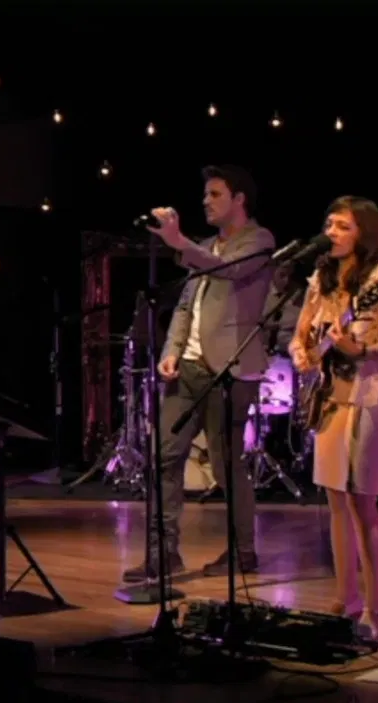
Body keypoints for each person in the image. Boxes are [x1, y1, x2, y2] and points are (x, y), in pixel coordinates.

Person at [124, 165, 276, 583]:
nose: (205, 201)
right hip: (188, 369)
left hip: (229, 370)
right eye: (205, 194)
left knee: (226, 466)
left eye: (215, 194)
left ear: (239, 199)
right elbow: (186, 305)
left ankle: (243, 552)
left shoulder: (259, 241)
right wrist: (172, 349)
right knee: (163, 456)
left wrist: (178, 242)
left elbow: (227, 269)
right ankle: (162, 553)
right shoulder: (205, 247)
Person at [289, 196, 378, 642]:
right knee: (334, 498)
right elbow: (300, 335)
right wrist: (301, 353)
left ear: (364, 233)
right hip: (328, 395)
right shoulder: (320, 278)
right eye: (330, 224)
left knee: (361, 501)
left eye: (343, 226)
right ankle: (346, 597)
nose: (332, 232)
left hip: (367, 394)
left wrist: (354, 348)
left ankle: (377, 606)